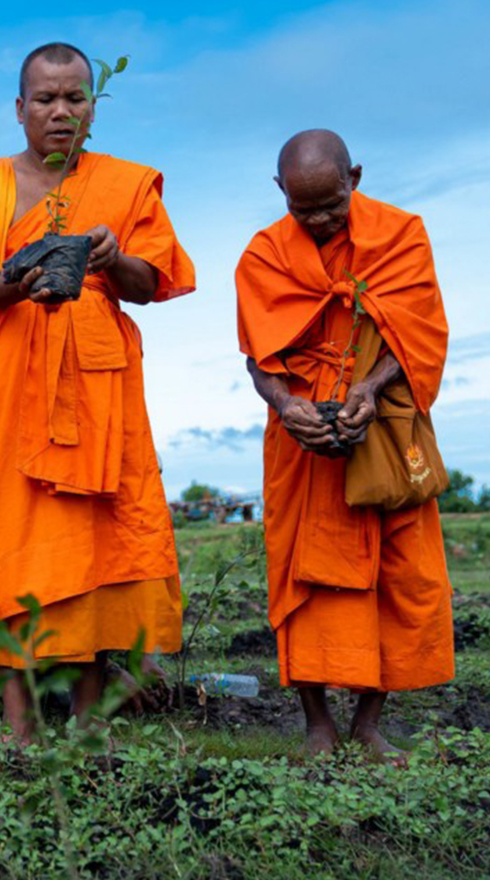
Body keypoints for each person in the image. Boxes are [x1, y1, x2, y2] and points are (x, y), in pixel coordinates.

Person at [0, 43, 194, 746]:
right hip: (17, 375)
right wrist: (33, 272)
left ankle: (90, 725)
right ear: (19, 109)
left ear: (93, 107)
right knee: (17, 547)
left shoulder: (125, 184)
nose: (61, 112)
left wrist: (112, 259)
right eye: (46, 100)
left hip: (101, 380)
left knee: (97, 550)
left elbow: (152, 284)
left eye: (75, 99)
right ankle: (21, 730)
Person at [236, 129, 453, 759]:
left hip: (385, 429)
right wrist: (287, 405)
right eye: (303, 210)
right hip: (302, 437)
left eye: (331, 204)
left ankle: (368, 724)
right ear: (281, 193)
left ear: (354, 176)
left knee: (399, 573)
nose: (321, 220)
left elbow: (420, 330)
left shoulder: (400, 234)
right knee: (304, 573)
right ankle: (317, 724)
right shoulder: (263, 256)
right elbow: (258, 358)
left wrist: (372, 388)